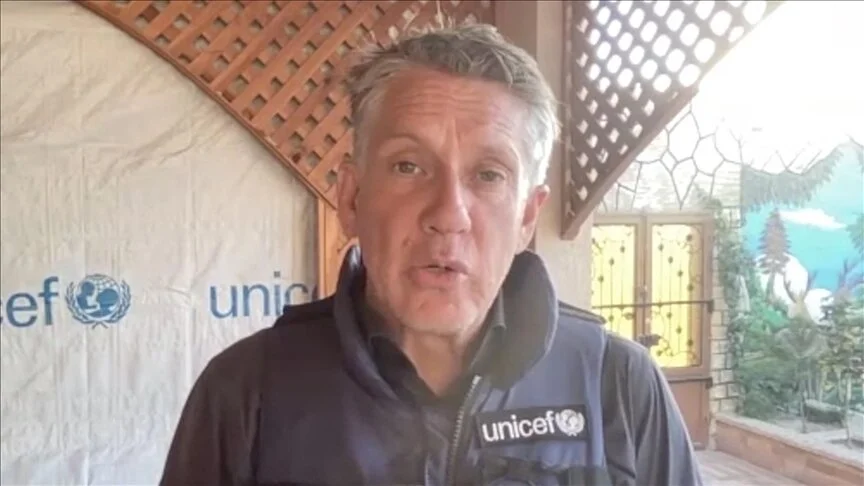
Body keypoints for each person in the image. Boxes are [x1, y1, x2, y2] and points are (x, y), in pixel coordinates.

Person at [161, 23, 703, 486]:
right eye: (408, 166)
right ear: (351, 199)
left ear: (526, 218)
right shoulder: (247, 392)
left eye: (488, 175)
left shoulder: (617, 385)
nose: (449, 213)